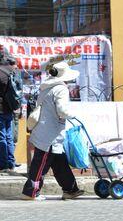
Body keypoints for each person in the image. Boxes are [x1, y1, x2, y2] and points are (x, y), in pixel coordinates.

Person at [21, 62, 84, 201]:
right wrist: (72, 115)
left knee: (59, 162)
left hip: (45, 130)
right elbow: (62, 110)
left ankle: (70, 189)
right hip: (50, 134)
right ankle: (30, 192)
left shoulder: (46, 87)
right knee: (40, 163)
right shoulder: (61, 89)